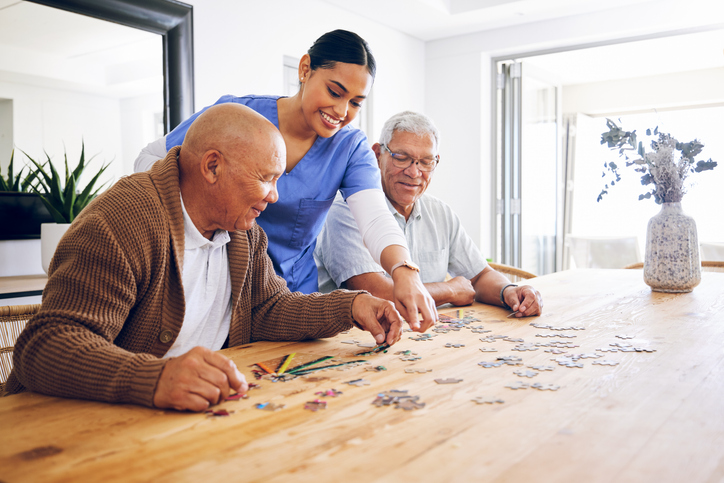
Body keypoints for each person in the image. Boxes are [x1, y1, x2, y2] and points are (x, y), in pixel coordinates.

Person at [5, 104, 405, 412]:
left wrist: (349, 305)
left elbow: (267, 308)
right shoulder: (121, 221)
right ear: (212, 166)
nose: (274, 195)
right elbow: (45, 346)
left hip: (169, 418)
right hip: (62, 423)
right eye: (266, 178)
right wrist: (153, 378)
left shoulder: (243, 234)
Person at [135, 29, 436, 331]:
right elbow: (149, 159)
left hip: (289, 297)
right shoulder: (240, 116)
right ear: (305, 69)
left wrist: (404, 271)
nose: (342, 111)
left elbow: (375, 219)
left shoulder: (349, 147)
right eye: (335, 92)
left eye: (356, 103)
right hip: (222, 284)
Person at [315, 111, 543, 316]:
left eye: (425, 162)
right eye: (401, 157)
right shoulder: (345, 211)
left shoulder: (441, 213)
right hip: (357, 346)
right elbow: (378, 295)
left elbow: (480, 276)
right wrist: (450, 290)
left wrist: (510, 291)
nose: (414, 172)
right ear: (377, 155)